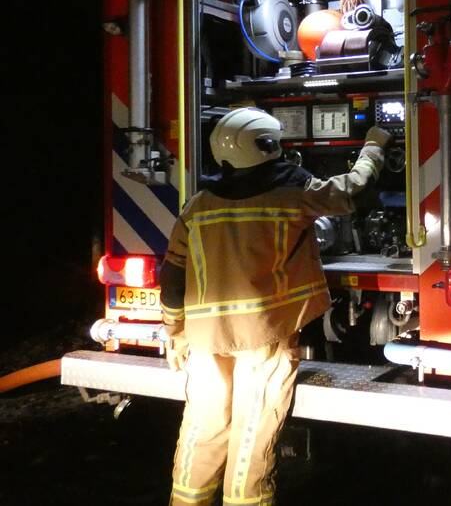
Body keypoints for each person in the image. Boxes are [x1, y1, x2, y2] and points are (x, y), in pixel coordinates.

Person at [159, 107, 392, 506]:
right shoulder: (292, 194)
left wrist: (175, 331)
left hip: (203, 340)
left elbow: (173, 275)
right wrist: (374, 146)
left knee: (203, 429)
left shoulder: (197, 205)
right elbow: (352, 188)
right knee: (252, 434)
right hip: (264, 337)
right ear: (268, 146)